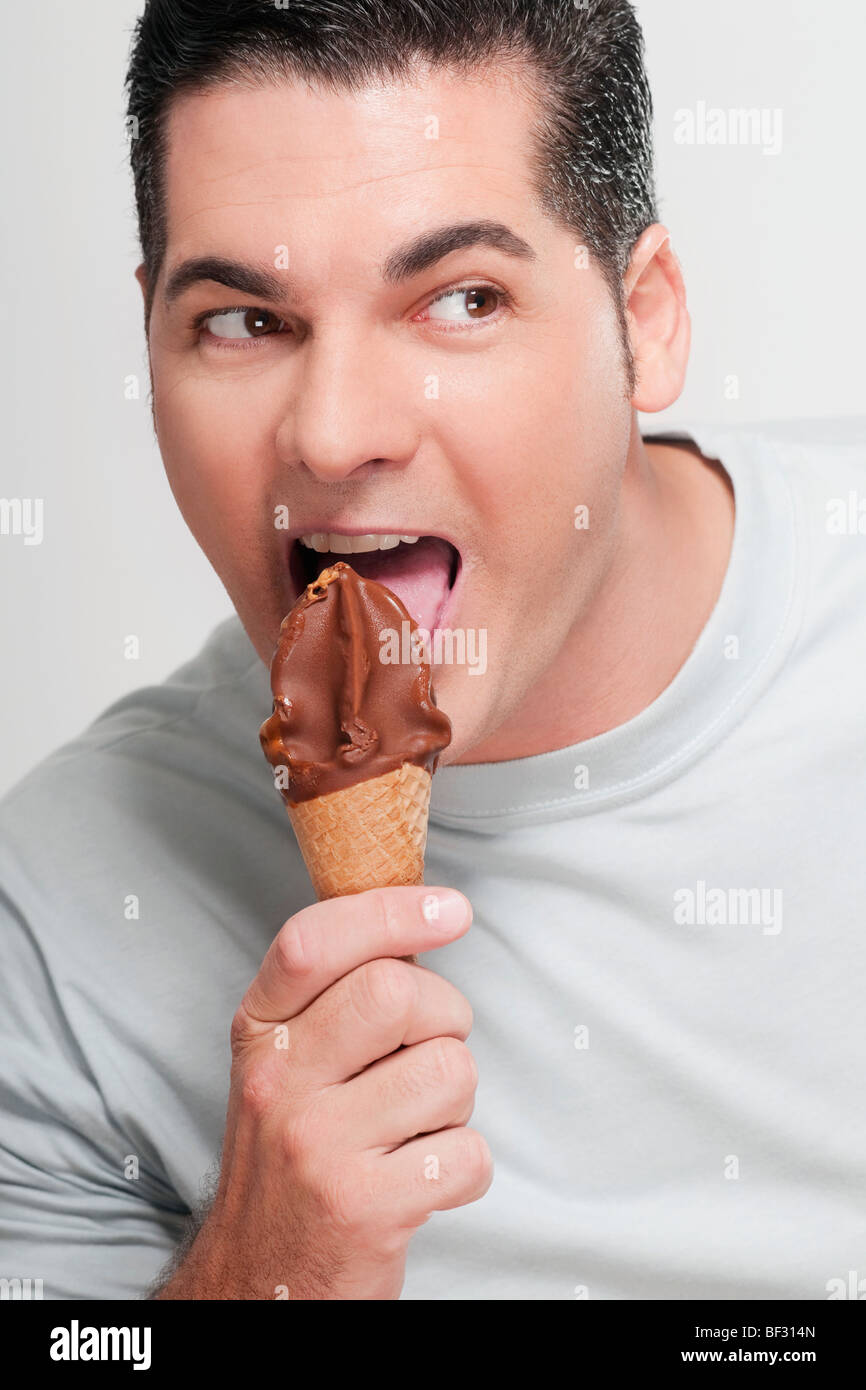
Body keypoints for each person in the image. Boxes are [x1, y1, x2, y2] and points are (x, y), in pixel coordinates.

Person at [1, 0, 864, 1301]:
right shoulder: (56, 914)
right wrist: (259, 1275)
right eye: (243, 320)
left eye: (460, 298)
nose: (335, 434)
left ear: (649, 317)